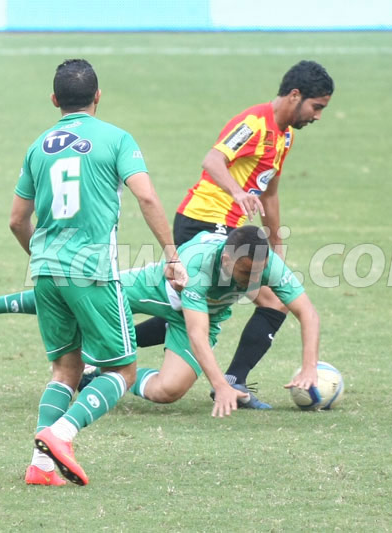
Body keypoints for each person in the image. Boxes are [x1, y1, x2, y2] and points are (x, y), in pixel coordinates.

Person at [5, 59, 186, 486]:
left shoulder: (38, 146)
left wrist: (45, 258)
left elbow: (16, 220)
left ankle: (41, 466)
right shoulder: (117, 139)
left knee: (65, 370)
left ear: (55, 101)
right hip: (92, 272)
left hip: (46, 271)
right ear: (98, 96)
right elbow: (146, 198)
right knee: (121, 372)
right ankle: (61, 434)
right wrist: (172, 255)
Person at [0, 225, 320, 423]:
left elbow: (308, 313)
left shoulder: (265, 262)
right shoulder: (201, 264)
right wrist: (220, 385)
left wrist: (308, 367)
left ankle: (94, 373)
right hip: (152, 289)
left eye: (257, 273)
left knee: (168, 392)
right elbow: (198, 334)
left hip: (202, 314)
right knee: (75, 292)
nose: (252, 281)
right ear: (226, 257)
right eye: (243, 271)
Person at [134, 60, 334, 409]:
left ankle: (109, 350)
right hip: (204, 221)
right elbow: (212, 160)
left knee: (194, 309)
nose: (317, 116)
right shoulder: (254, 123)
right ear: (295, 95)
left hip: (235, 228)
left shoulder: (284, 136)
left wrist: (276, 241)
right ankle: (230, 381)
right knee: (258, 303)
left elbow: (269, 192)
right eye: (317, 107)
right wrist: (237, 192)